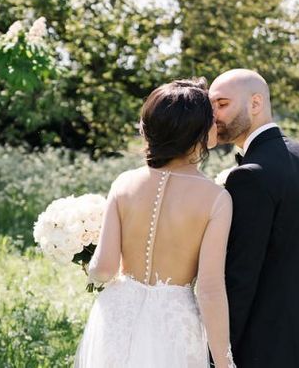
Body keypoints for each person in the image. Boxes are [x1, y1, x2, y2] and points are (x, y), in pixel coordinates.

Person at [74, 78, 235, 368]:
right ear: (196, 131)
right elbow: (209, 289)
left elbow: (104, 269)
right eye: (211, 120)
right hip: (173, 323)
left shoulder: (124, 184)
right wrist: (225, 363)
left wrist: (85, 260)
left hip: (118, 315)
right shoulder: (216, 198)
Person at [210, 69, 299, 368]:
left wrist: (218, 353)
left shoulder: (250, 176)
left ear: (255, 103)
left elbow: (241, 276)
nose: (213, 115)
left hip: (270, 348)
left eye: (222, 104)